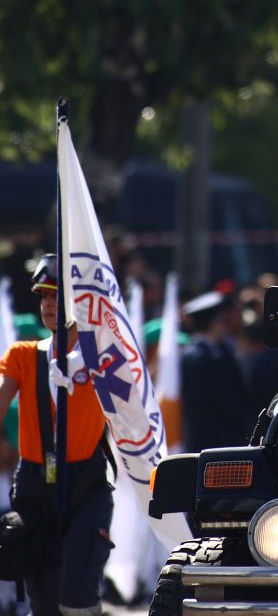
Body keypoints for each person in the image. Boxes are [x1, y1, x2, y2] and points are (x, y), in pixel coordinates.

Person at [0, 254, 114, 616]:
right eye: (43, 297)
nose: (48, 304)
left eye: (56, 296)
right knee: (44, 603)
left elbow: (134, 406)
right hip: (35, 486)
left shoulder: (102, 357)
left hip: (86, 484)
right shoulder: (22, 356)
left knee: (76, 596)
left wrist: (95, 358)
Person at [180, 290, 250, 452]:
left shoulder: (222, 351)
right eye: (221, 320)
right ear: (212, 322)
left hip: (229, 437)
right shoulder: (195, 356)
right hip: (207, 440)